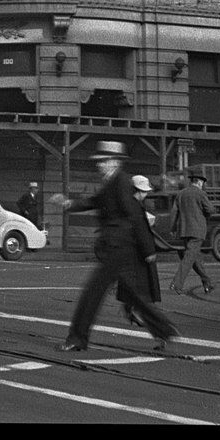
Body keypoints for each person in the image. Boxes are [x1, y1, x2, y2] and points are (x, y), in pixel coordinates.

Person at [52, 141, 177, 354]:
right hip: (117, 247)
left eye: (102, 162)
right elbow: (94, 201)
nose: (99, 165)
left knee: (92, 292)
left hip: (117, 247)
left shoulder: (120, 182)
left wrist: (147, 249)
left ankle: (77, 338)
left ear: (114, 162)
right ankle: (164, 329)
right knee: (133, 294)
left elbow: (134, 214)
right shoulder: (112, 182)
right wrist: (69, 204)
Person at [115, 174, 163, 327]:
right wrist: (149, 251)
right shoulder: (136, 206)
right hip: (138, 254)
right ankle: (136, 311)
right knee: (142, 286)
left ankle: (130, 309)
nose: (146, 194)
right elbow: (141, 230)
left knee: (131, 284)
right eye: (145, 191)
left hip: (127, 251)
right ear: (139, 191)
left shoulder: (126, 204)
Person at [169, 167, 216, 297]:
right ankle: (177, 284)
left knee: (195, 259)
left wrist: (172, 228)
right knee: (189, 258)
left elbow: (174, 212)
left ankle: (208, 283)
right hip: (197, 231)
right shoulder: (201, 194)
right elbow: (210, 210)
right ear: (200, 182)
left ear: (192, 181)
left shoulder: (181, 193)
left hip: (184, 231)